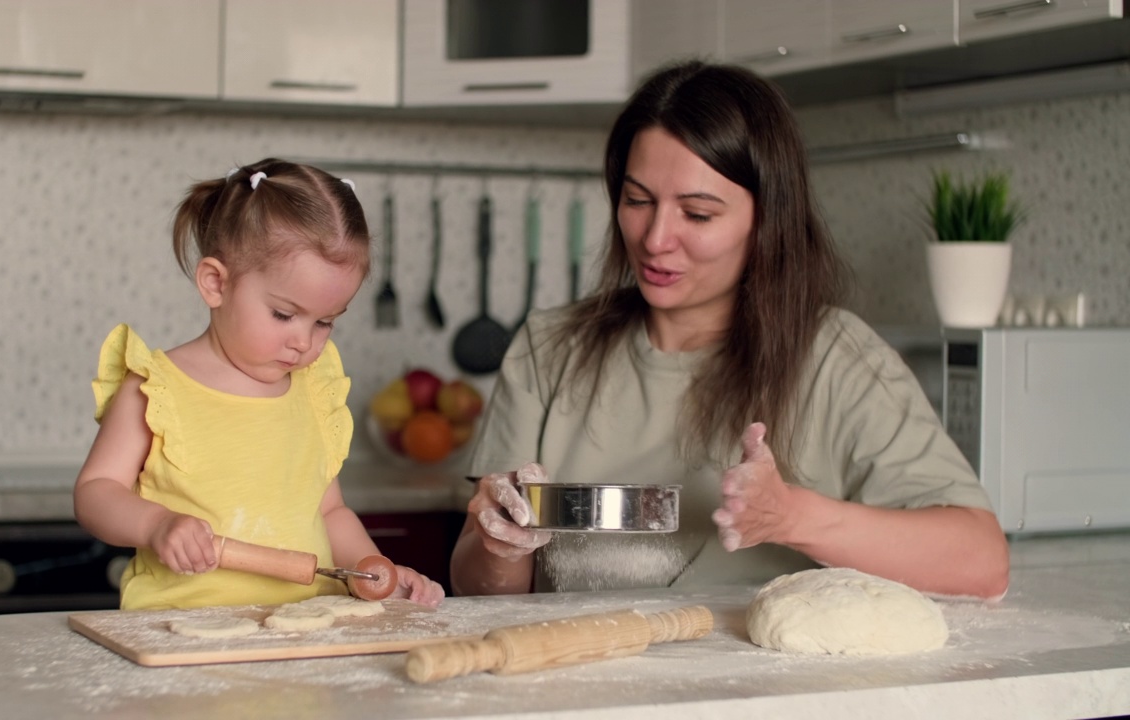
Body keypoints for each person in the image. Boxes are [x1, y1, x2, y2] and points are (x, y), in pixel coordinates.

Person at [449, 61, 1010, 601]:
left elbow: (981, 561)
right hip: (577, 685)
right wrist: (500, 546)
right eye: (637, 200)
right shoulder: (550, 348)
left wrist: (792, 516)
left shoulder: (839, 358)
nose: (655, 237)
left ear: (767, 220)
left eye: (696, 214)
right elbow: (477, 588)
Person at [74, 158, 444, 610]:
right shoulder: (157, 389)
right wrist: (156, 525)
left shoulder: (312, 393)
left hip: (305, 634)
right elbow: (96, 493)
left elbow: (329, 512)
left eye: (325, 321)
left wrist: (371, 570)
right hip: (183, 639)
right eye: (284, 315)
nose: (304, 342)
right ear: (216, 284)